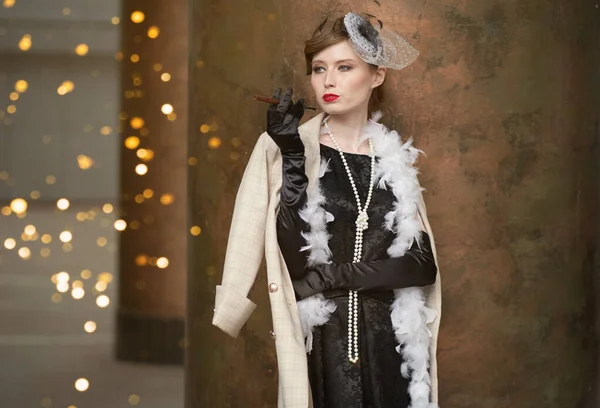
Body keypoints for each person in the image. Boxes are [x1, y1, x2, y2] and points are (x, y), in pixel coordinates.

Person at [213, 12, 442, 408]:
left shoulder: (393, 160)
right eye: (319, 69)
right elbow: (297, 266)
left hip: (392, 347)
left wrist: (332, 276)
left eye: (344, 67)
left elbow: (422, 266)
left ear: (377, 75)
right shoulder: (286, 149)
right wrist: (292, 159)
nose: (328, 81)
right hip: (322, 346)